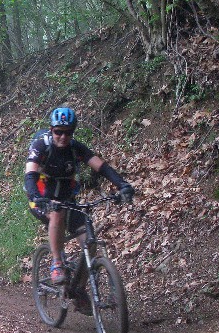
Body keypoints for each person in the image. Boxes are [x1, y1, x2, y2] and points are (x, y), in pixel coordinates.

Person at [23, 106, 135, 296]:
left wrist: (122, 185)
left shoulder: (76, 148)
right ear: (51, 130)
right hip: (40, 199)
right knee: (57, 214)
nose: (63, 137)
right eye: (58, 132)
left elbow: (102, 167)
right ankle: (57, 263)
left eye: (68, 133)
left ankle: (79, 290)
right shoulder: (41, 145)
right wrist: (36, 197)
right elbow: (30, 175)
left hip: (68, 200)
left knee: (89, 243)